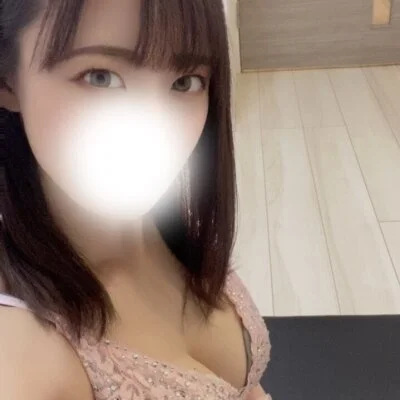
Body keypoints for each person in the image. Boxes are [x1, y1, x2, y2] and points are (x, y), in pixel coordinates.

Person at [0, 0, 272, 399]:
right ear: (7, 79)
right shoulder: (27, 366)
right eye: (100, 77)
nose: (156, 129)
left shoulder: (165, 225)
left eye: (185, 81)